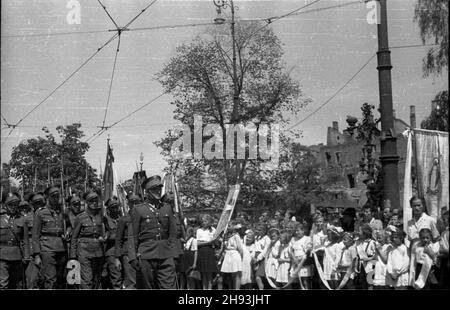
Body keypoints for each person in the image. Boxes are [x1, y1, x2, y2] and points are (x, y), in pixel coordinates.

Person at [129, 175, 178, 289]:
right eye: (154, 189)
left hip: (166, 254)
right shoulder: (138, 209)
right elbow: (133, 235)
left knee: (169, 287)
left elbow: (172, 233)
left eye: (159, 188)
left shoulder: (167, 208)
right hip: (147, 253)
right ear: (147, 192)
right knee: (148, 287)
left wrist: (174, 254)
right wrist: (132, 257)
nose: (158, 191)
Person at [32, 186, 68, 289]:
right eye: (53, 196)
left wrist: (68, 232)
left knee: (61, 278)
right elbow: (35, 235)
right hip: (47, 248)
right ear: (47, 197)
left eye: (58, 196)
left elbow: (69, 225)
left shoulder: (62, 211)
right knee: (50, 278)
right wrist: (37, 255)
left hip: (61, 247)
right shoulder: (40, 212)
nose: (56, 198)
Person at [69, 190, 105, 289]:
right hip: (84, 252)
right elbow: (74, 238)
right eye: (91, 201)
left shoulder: (100, 216)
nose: (94, 203)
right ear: (87, 203)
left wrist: (104, 237)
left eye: (95, 201)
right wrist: (73, 256)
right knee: (86, 279)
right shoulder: (80, 217)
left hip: (98, 251)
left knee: (97, 279)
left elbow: (106, 231)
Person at [0, 193, 30, 289]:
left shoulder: (21, 219)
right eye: (10, 205)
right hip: (2, 255)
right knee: (3, 283)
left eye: (15, 205)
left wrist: (26, 256)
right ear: (5, 205)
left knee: (16, 283)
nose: (13, 207)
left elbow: (25, 240)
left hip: (16, 255)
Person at [114, 193, 140, 289]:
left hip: (142, 252)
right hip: (128, 254)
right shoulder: (124, 220)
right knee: (131, 282)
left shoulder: (144, 219)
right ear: (128, 203)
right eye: (132, 202)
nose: (134, 205)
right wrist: (117, 258)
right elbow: (118, 240)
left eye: (137, 202)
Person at [103, 197, 122, 289]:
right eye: (112, 207)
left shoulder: (122, 218)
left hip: (124, 251)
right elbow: (105, 236)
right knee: (116, 278)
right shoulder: (105, 221)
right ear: (108, 209)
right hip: (112, 251)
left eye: (116, 207)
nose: (115, 209)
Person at [196, 214, 217, 290]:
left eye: (205, 221)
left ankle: (210, 288)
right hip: (202, 251)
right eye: (202, 221)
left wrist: (210, 242)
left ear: (209, 221)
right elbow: (197, 243)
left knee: (209, 273)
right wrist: (207, 242)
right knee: (204, 273)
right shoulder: (199, 230)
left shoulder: (213, 230)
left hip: (210, 251)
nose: (203, 222)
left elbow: (215, 241)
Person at [289, 223, 313, 289]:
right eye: (296, 231)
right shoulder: (293, 239)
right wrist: (294, 259)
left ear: (303, 231)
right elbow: (290, 250)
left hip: (304, 263)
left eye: (298, 230)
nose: (297, 232)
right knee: (296, 282)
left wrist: (301, 260)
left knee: (305, 282)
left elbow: (308, 251)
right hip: (295, 263)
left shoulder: (307, 238)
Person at [220, 223, 244, 289]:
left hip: (234, 254)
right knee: (230, 274)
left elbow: (240, 248)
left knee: (236, 274)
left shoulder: (236, 236)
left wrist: (241, 258)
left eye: (229, 226)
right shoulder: (226, 236)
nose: (228, 227)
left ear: (234, 226)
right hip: (227, 255)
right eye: (227, 226)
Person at [354, 223, 376, 289]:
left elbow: (376, 256)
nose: (357, 232)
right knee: (363, 284)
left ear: (365, 232)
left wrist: (369, 259)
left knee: (370, 284)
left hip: (370, 267)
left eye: (359, 230)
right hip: (361, 267)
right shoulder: (357, 242)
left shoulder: (372, 242)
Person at [254, 223, 270, 290]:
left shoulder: (267, 239)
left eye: (260, 230)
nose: (258, 231)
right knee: (256, 276)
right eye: (257, 229)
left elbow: (265, 250)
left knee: (258, 277)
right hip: (255, 257)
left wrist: (258, 258)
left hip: (262, 259)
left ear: (264, 230)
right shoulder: (257, 238)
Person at [437, 210, 449, 288]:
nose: (443, 221)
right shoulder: (444, 232)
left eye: (445, 220)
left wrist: (442, 251)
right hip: (443, 262)